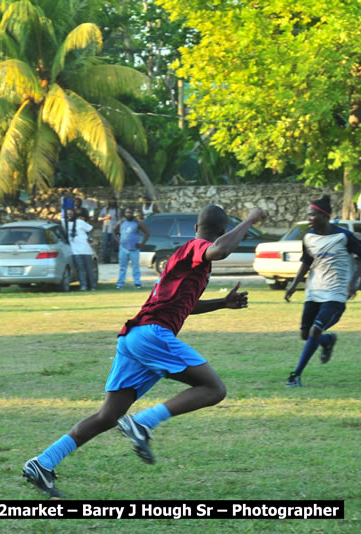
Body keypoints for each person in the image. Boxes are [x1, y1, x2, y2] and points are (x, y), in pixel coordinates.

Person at [23, 205, 267, 498]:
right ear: (221, 231)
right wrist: (251, 219)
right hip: (152, 334)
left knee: (107, 416)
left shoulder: (187, 254)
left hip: (134, 337)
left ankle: (43, 462)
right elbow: (219, 250)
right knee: (214, 389)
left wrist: (222, 303)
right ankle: (143, 422)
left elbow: (185, 305)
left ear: (195, 226)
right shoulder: (199, 248)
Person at [283, 195, 361, 387]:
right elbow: (306, 262)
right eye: (308, 215)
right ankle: (327, 340)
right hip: (314, 292)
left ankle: (296, 375)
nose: (309, 219)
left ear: (323, 216)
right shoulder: (308, 238)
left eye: (311, 215)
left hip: (335, 293)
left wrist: (354, 281)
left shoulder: (343, 236)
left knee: (315, 329)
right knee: (306, 334)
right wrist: (294, 285)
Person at [114, 208, 150, 289]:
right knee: (122, 267)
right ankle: (120, 284)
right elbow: (114, 230)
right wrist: (117, 238)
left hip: (134, 249)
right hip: (123, 248)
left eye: (130, 212)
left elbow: (147, 232)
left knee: (135, 267)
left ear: (133, 213)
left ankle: (137, 283)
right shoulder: (121, 222)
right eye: (127, 212)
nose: (129, 214)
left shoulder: (137, 223)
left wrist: (142, 243)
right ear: (125, 213)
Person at [63, 208, 97, 291]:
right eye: (68, 214)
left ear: (74, 214)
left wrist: (90, 238)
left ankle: (92, 286)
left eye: (71, 213)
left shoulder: (80, 222)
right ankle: (83, 285)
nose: (69, 215)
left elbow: (91, 228)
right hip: (75, 251)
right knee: (80, 269)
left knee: (89, 269)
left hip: (85, 249)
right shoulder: (65, 223)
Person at [97, 199, 120, 263]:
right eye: (111, 202)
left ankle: (112, 259)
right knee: (105, 245)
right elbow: (99, 219)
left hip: (114, 230)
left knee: (113, 245)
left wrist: (118, 227)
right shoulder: (105, 209)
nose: (112, 203)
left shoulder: (117, 210)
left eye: (113, 202)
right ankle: (105, 259)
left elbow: (119, 220)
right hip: (106, 230)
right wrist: (106, 218)